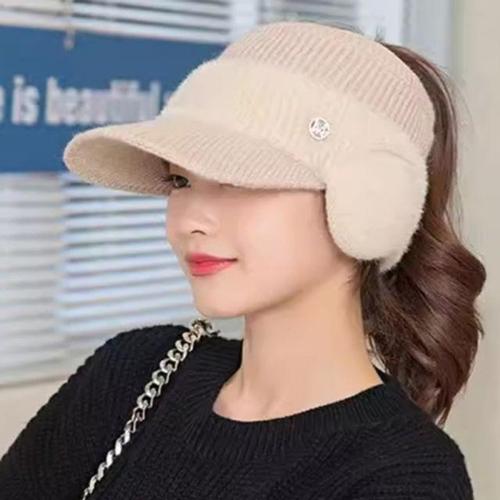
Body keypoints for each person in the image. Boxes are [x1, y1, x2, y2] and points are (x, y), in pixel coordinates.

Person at [0, 20, 485, 500]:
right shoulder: (136, 373)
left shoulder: (404, 476)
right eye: (180, 181)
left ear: (370, 202)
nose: (190, 221)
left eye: (239, 181)